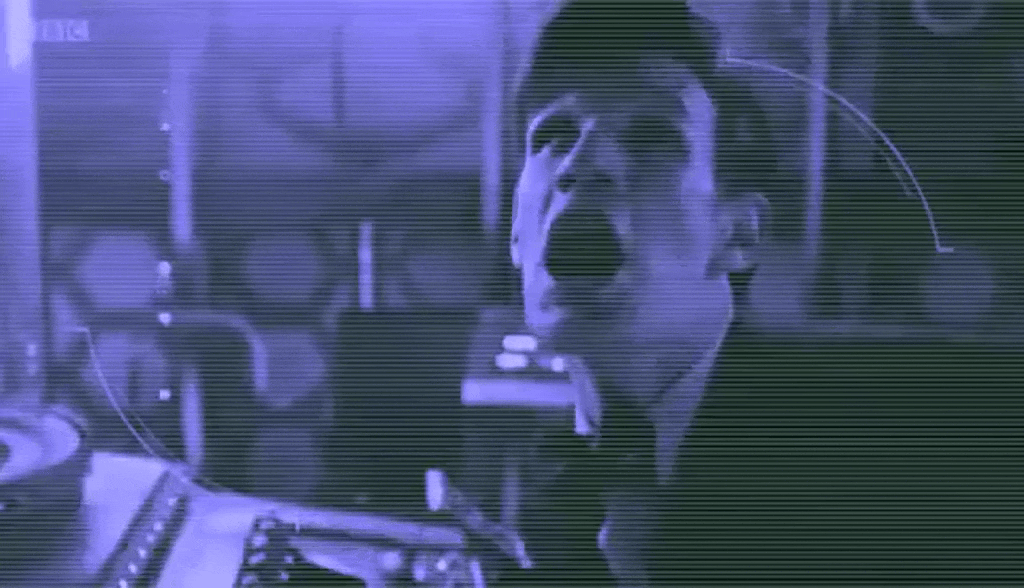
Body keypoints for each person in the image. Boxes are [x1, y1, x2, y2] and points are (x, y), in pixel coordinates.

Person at [502, 1, 1022, 586]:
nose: (580, 162)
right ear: (517, 234)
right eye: (552, 135)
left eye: (653, 138)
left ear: (738, 235)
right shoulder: (554, 483)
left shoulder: (914, 448)